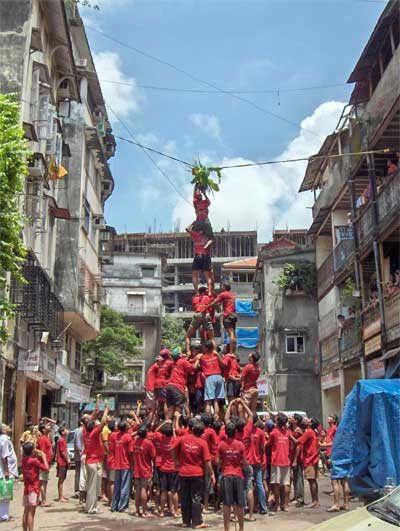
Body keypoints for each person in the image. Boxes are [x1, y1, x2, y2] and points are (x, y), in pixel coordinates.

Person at [173, 421, 215, 529]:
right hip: (197, 474)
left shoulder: (183, 439)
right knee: (196, 498)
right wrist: (212, 473)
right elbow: (207, 461)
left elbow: (172, 448)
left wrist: (176, 460)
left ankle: (185, 521)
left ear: (192, 429)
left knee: (185, 497)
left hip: (183, 473)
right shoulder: (202, 443)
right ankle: (197, 522)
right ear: (202, 433)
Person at [217, 422, 247, 531]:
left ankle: (226, 529)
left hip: (226, 474)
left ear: (225, 432)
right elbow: (244, 461)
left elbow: (217, 461)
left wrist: (224, 460)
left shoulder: (221, 444)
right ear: (235, 432)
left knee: (227, 503)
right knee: (239, 504)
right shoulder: (240, 445)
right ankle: (241, 528)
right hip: (238, 474)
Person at [84, 400, 109, 514]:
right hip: (94, 462)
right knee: (93, 487)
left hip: (91, 461)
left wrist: (98, 402)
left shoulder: (86, 431)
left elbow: (93, 415)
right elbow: (103, 421)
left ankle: (92, 506)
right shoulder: (94, 433)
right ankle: (91, 508)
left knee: (93, 486)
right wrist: (107, 408)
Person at [266, 413, 291, 512]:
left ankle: (276, 505)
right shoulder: (287, 433)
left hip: (276, 461)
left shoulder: (274, 433)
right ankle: (284, 504)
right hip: (286, 460)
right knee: (285, 484)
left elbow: (268, 445)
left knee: (276, 484)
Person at [21, 442, 49, 531]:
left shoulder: (24, 460)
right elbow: (46, 469)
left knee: (26, 511)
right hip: (34, 487)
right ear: (32, 451)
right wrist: (43, 457)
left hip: (26, 488)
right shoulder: (34, 461)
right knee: (31, 512)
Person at [294, 417, 320, 509]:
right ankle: (316, 500)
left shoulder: (309, 432)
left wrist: (289, 435)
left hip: (310, 458)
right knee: (313, 480)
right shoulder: (314, 432)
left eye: (309, 420)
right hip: (314, 458)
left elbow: (298, 442)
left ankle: (314, 501)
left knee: (311, 480)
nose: (307, 420)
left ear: (311, 423)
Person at [132, 425, 156, 518]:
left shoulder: (135, 441)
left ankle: (137, 510)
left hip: (137, 468)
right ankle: (145, 511)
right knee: (143, 489)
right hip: (145, 469)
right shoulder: (148, 443)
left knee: (137, 489)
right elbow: (153, 456)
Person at [166, 347, 196, 420]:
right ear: (179, 355)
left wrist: (187, 357)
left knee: (171, 409)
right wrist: (197, 359)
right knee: (178, 409)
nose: (183, 354)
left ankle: (166, 426)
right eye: (181, 353)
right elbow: (193, 368)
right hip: (177, 387)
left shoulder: (174, 363)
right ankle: (175, 428)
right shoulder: (183, 361)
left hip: (169, 386)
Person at [198, 340, 225, 419]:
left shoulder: (202, 357)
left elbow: (197, 367)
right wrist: (218, 355)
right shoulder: (216, 355)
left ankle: (208, 418)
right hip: (219, 377)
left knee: (208, 401)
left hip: (210, 377)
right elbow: (223, 365)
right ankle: (216, 417)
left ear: (206, 348)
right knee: (216, 400)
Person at [186, 220, 214, 295]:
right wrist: (206, 246)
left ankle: (197, 292)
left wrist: (192, 223)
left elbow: (187, 229)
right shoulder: (208, 237)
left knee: (194, 274)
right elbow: (211, 241)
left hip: (198, 255)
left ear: (200, 230)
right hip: (206, 256)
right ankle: (210, 292)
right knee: (207, 276)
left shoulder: (196, 235)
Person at [111, 420, 133, 513]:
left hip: (117, 464)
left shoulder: (115, 436)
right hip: (125, 464)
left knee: (117, 486)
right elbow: (130, 452)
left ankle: (114, 506)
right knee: (125, 486)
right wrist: (132, 464)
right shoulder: (128, 438)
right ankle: (122, 506)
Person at [208, 283, 237, 354]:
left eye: (222, 286)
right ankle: (233, 351)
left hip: (228, 315)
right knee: (233, 334)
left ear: (224, 287)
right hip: (234, 315)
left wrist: (207, 306)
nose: (221, 288)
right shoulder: (232, 295)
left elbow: (215, 301)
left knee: (231, 334)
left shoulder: (223, 294)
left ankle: (230, 352)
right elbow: (218, 298)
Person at [158, 422, 179, 517]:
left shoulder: (161, 440)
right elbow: (176, 441)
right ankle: (175, 511)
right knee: (174, 491)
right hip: (173, 469)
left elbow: (157, 431)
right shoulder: (175, 440)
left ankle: (162, 511)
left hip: (163, 468)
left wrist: (164, 423)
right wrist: (174, 431)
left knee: (163, 491)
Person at [186, 287, 215, 353]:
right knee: (212, 338)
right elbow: (213, 302)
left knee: (188, 336)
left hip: (197, 315)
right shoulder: (209, 297)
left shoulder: (194, 298)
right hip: (206, 315)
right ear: (204, 292)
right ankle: (214, 352)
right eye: (206, 291)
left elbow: (195, 306)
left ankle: (188, 351)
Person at [0, 424, 18, 522]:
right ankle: (3, 515)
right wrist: (6, 471)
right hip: (4, 471)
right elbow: (4, 456)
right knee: (5, 493)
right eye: (5, 426)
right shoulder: (4, 439)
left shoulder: (4, 439)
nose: (8, 426)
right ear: (2, 430)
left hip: (4, 470)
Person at [37, 423, 53, 506]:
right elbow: (42, 453)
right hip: (43, 463)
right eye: (47, 426)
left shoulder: (46, 437)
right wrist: (45, 464)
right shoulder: (43, 439)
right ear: (43, 429)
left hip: (46, 463)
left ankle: (42, 500)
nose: (49, 427)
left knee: (44, 482)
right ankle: (43, 501)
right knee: (43, 482)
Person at [290, 414, 305, 508]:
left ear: (295, 420)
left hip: (298, 458)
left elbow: (298, 445)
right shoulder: (294, 429)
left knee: (299, 478)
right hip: (294, 457)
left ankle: (300, 497)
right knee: (295, 478)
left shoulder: (298, 430)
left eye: (292, 418)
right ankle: (296, 496)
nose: (290, 419)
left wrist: (295, 459)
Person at [56, 427, 69, 502]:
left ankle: (61, 495)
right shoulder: (61, 440)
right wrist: (67, 460)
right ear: (63, 432)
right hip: (62, 462)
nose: (67, 430)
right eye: (65, 429)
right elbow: (63, 452)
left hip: (63, 462)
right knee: (61, 479)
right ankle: (60, 496)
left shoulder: (63, 440)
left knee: (62, 479)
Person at [106, 420, 117, 507]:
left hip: (110, 460)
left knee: (110, 482)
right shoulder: (114, 435)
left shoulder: (110, 435)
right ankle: (112, 501)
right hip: (114, 461)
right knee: (112, 482)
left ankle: (110, 500)